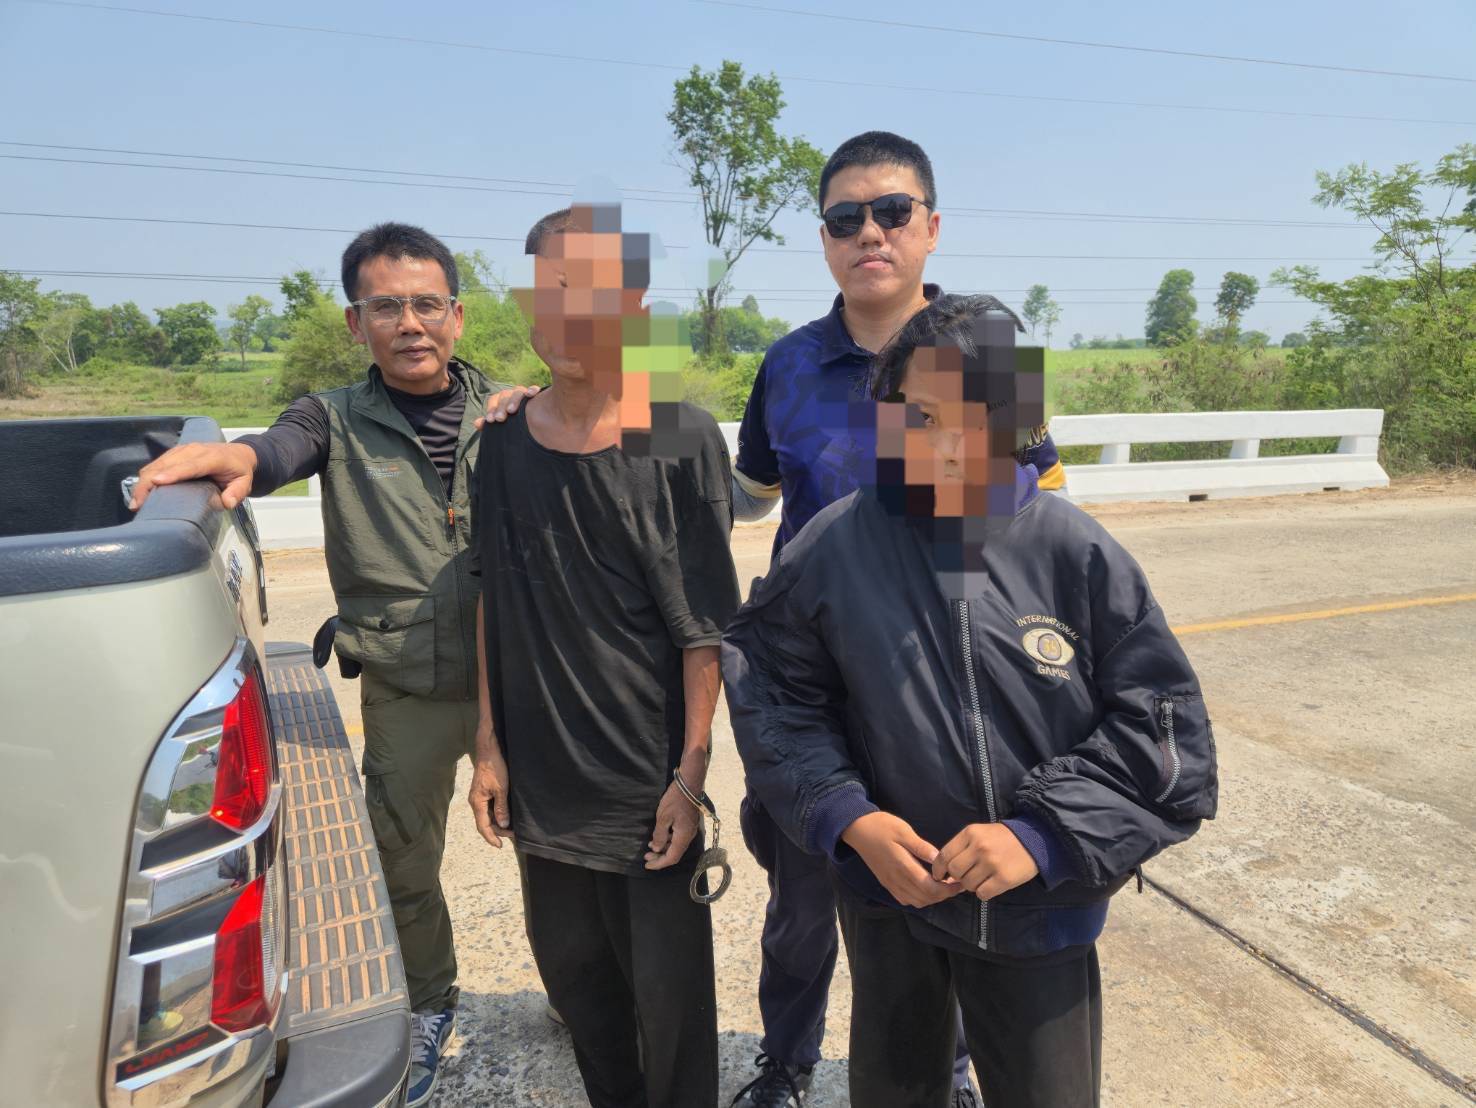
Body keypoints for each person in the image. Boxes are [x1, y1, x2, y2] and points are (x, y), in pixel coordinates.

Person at [479, 132, 1063, 1106]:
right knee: (802, 904)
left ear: (931, 226)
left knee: (953, 890)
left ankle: (947, 1072)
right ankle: (786, 1062)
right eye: (845, 217)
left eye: (892, 212)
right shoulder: (788, 363)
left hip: (954, 685)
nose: (869, 233)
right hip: (812, 691)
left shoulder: (991, 351)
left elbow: (1043, 502)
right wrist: (559, 398)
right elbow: (745, 494)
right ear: (825, 237)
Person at [721, 293, 1218, 1108]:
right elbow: (773, 692)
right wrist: (850, 817)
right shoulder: (837, 545)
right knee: (894, 1088)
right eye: (920, 417)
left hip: (1040, 912)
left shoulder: (1076, 553)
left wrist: (1042, 836)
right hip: (891, 900)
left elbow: (1165, 742)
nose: (947, 446)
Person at [130, 222, 500, 1107]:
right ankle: (430, 1002)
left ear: (456, 315)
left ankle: (579, 990)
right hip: (405, 681)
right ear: (354, 322)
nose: (410, 324)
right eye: (386, 307)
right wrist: (239, 457)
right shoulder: (331, 416)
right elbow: (275, 451)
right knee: (403, 860)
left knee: (559, 851)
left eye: (426, 304)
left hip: (519, 681)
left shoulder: (512, 412)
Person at [466, 203, 741, 1108]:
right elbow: (489, 598)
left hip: (645, 788)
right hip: (543, 784)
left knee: (671, 1016)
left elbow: (704, 627)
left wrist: (691, 776)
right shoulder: (501, 442)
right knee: (581, 994)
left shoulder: (679, 436)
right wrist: (488, 747)